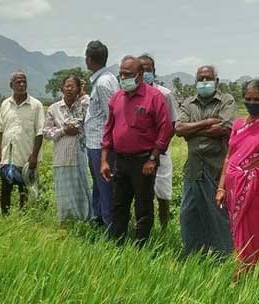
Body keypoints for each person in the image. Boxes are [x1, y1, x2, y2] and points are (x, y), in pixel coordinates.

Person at [214, 79, 259, 273]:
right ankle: (241, 270)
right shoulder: (238, 125)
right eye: (248, 99)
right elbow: (229, 157)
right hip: (234, 189)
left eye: (257, 99)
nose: (252, 103)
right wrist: (221, 187)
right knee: (239, 232)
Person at [101, 55, 172, 246]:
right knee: (119, 204)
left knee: (143, 205)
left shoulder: (154, 97)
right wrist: (104, 159)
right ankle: (118, 244)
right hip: (121, 160)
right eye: (121, 74)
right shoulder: (116, 98)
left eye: (128, 74)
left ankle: (142, 245)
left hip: (144, 162)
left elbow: (165, 130)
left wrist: (153, 158)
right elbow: (108, 129)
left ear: (139, 75)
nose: (123, 78)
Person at [174, 65, 236, 258]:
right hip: (193, 168)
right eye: (200, 79)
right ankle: (193, 253)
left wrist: (192, 130)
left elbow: (225, 128)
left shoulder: (226, 100)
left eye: (208, 78)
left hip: (216, 167)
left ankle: (223, 255)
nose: (204, 82)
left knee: (217, 213)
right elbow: (179, 129)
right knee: (188, 213)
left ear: (216, 81)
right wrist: (207, 123)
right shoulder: (188, 102)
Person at [42, 75, 92, 221]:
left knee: (82, 188)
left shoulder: (83, 105)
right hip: (62, 157)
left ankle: (84, 219)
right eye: (67, 86)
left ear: (78, 89)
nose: (69, 89)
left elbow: (92, 116)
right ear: (62, 88)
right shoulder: (54, 108)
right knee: (64, 191)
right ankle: (66, 221)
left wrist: (84, 95)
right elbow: (46, 131)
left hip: (80, 156)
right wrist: (63, 131)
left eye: (73, 86)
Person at [0, 71, 44, 215]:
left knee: (25, 189)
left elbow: (40, 132)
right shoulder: (5, 104)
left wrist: (34, 156)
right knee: (5, 188)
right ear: (11, 85)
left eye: (24, 82)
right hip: (7, 156)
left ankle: (24, 218)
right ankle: (5, 217)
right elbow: (1, 130)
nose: (22, 84)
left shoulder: (36, 105)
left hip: (26, 156)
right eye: (18, 82)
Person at [139, 54, 178, 229]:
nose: (145, 72)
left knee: (163, 193)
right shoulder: (129, 94)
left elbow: (172, 124)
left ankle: (163, 230)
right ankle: (142, 227)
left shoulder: (165, 94)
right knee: (140, 194)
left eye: (148, 69)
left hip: (161, 153)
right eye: (142, 69)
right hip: (138, 153)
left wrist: (159, 149)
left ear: (154, 71)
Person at [84, 41, 119, 228]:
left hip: (100, 146)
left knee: (105, 188)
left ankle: (109, 227)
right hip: (95, 143)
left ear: (89, 59)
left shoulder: (104, 83)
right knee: (98, 186)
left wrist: (106, 149)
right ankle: (98, 220)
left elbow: (111, 117)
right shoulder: (105, 79)